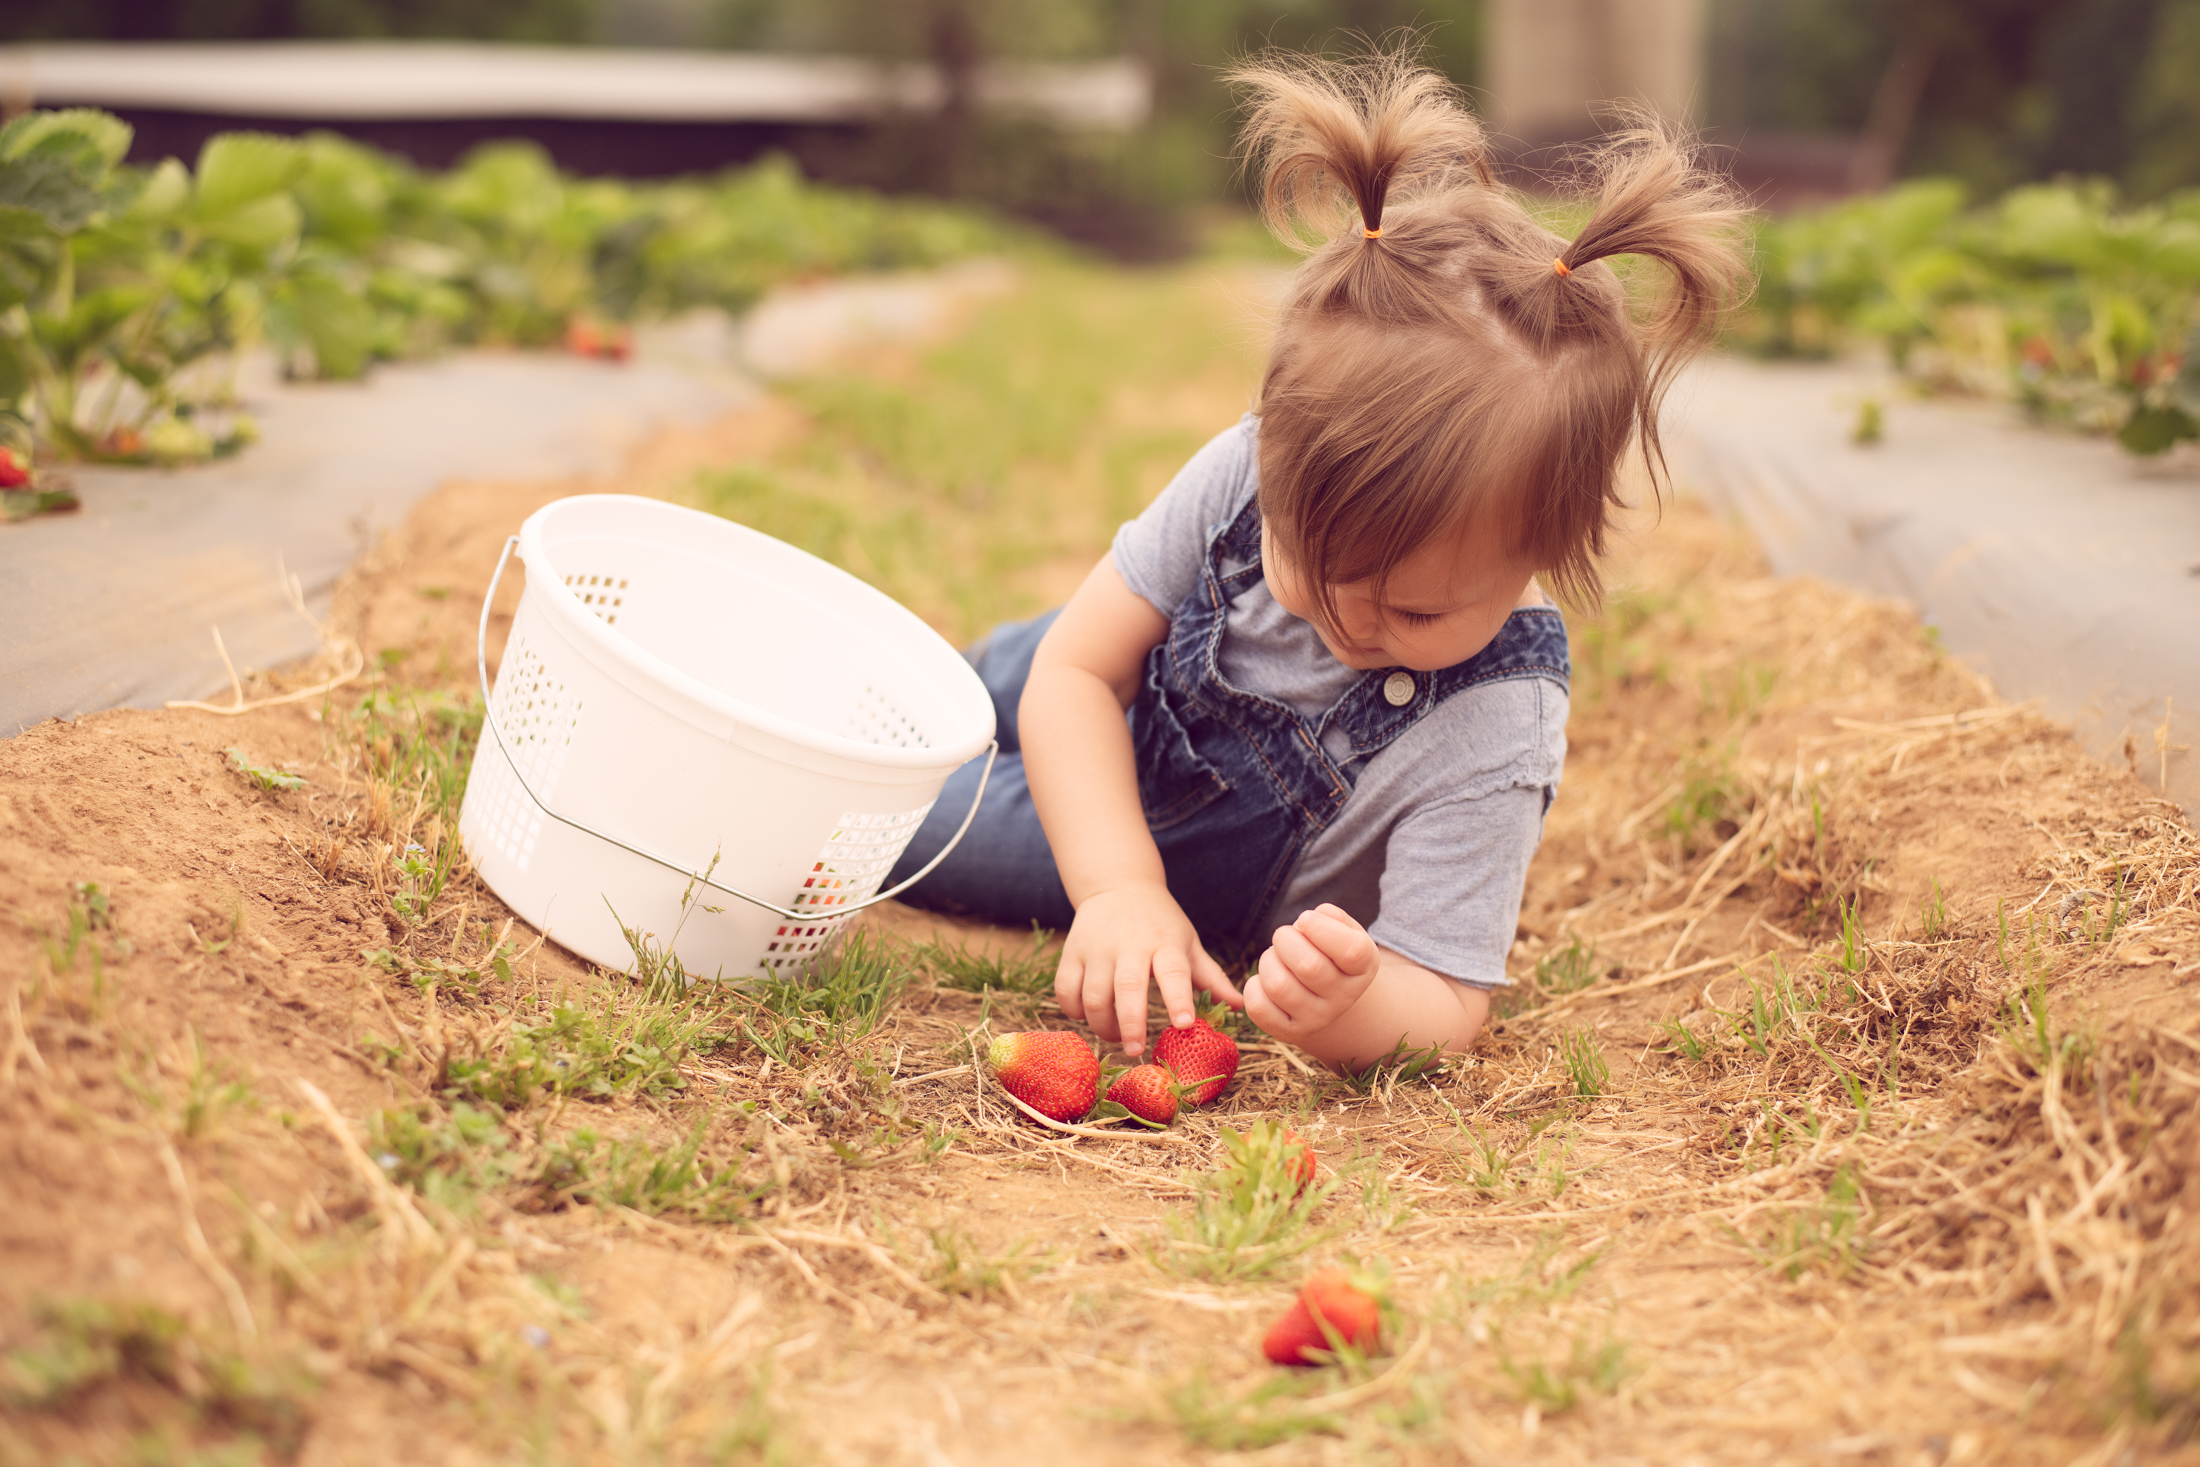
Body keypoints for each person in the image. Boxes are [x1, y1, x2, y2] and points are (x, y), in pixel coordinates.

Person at [884, 47, 1747, 1069]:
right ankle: (875, 693)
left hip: (1176, 837)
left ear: (1540, 557)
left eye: (1414, 613)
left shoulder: (1494, 724)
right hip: (1106, 676)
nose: (1345, 624)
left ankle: (846, 750)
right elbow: (1079, 669)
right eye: (1308, 568)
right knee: (951, 686)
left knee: (882, 806)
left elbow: (1447, 998)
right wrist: (1116, 892)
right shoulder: (1247, 466)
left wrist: (1351, 1004)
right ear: (1275, 447)